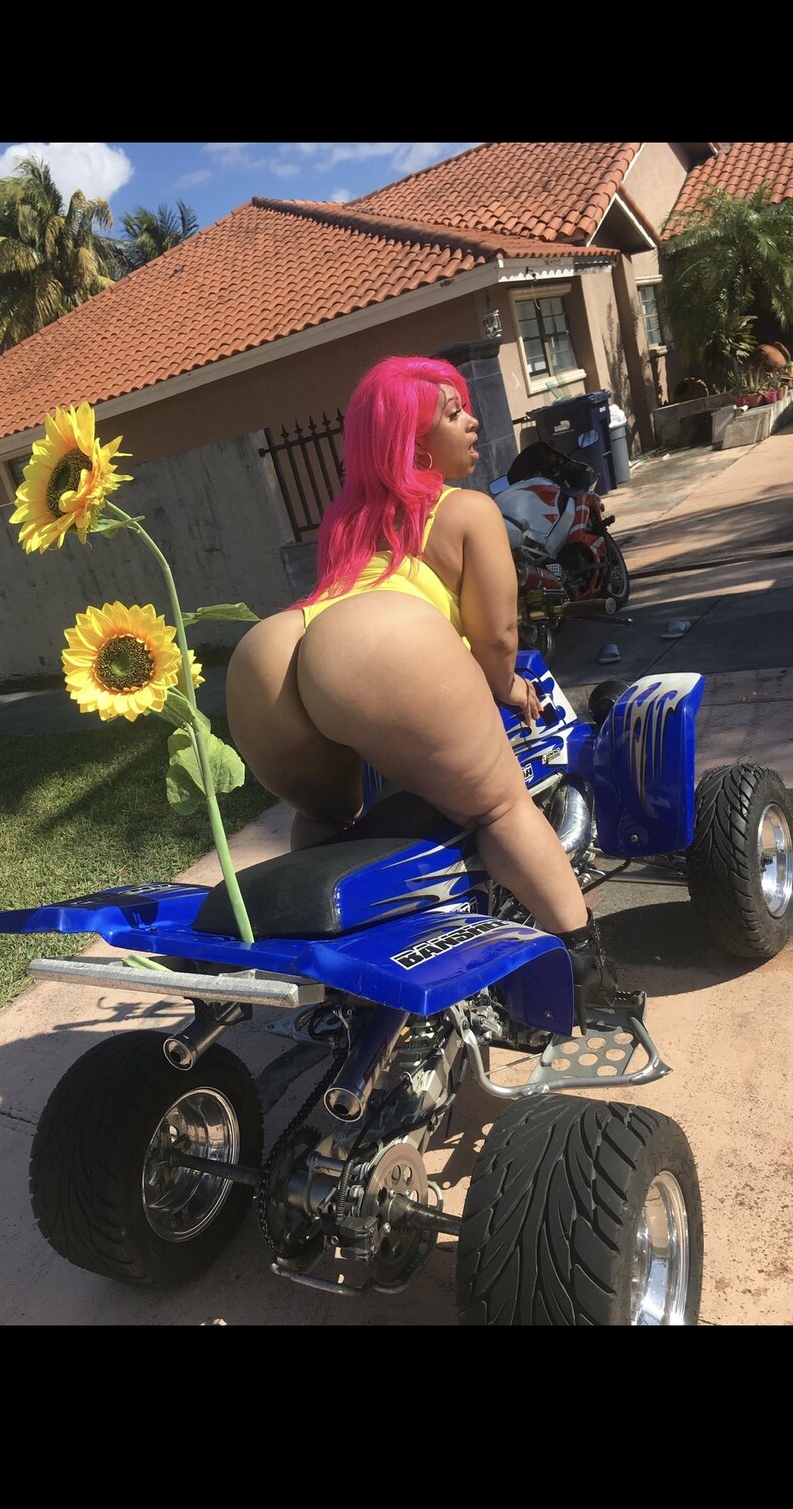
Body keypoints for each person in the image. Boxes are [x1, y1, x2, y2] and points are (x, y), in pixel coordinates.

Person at [226, 354, 616, 1025]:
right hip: (381, 645)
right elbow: (496, 634)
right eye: (453, 412)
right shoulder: (466, 510)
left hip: (273, 652)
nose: (473, 422)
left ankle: (338, 975)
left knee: (330, 816)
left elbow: (341, 611)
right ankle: (586, 971)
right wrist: (506, 685)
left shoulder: (344, 522)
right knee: (499, 808)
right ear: (413, 441)